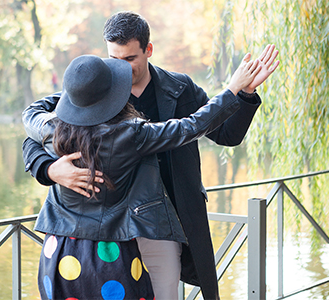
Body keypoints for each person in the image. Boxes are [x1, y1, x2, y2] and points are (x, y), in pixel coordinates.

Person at [22, 11, 279, 300]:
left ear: (148, 50)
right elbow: (39, 135)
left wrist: (242, 94)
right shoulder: (93, 90)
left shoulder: (180, 88)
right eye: (114, 59)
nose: (121, 68)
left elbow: (226, 135)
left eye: (130, 59)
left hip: (165, 220)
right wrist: (49, 169)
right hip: (110, 228)